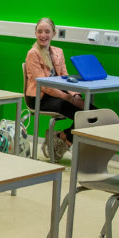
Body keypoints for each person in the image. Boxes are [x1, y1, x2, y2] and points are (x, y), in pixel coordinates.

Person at [24, 17, 86, 161]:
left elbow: (65, 77)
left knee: (92, 113)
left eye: (47, 32)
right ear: (35, 33)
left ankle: (63, 137)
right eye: (39, 32)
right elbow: (44, 85)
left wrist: (75, 95)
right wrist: (69, 98)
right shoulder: (32, 54)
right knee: (84, 116)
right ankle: (65, 140)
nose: (43, 35)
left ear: (54, 34)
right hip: (39, 98)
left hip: (58, 95)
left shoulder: (58, 51)